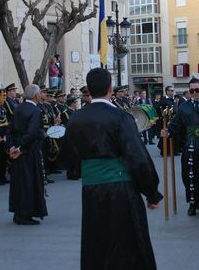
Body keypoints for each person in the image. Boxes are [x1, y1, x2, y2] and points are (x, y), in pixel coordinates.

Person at [66, 68, 162, 269]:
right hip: (120, 188)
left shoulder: (76, 118)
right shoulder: (121, 117)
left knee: (97, 241)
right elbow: (138, 157)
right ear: (110, 88)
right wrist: (151, 192)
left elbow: (70, 155)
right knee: (127, 243)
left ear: (89, 90)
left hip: (91, 189)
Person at [167, 77, 199, 220]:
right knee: (189, 174)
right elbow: (177, 124)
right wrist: (168, 131)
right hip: (190, 144)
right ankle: (193, 203)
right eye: (192, 90)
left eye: (197, 90)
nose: (195, 93)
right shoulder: (184, 107)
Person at [6, 84, 47, 225]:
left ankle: (18, 211)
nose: (42, 95)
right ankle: (25, 214)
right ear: (35, 95)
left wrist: (12, 147)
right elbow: (31, 132)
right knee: (29, 183)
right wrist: (21, 148)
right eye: (40, 93)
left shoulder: (18, 108)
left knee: (19, 182)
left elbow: (10, 130)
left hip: (18, 151)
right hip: (28, 151)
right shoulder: (35, 110)